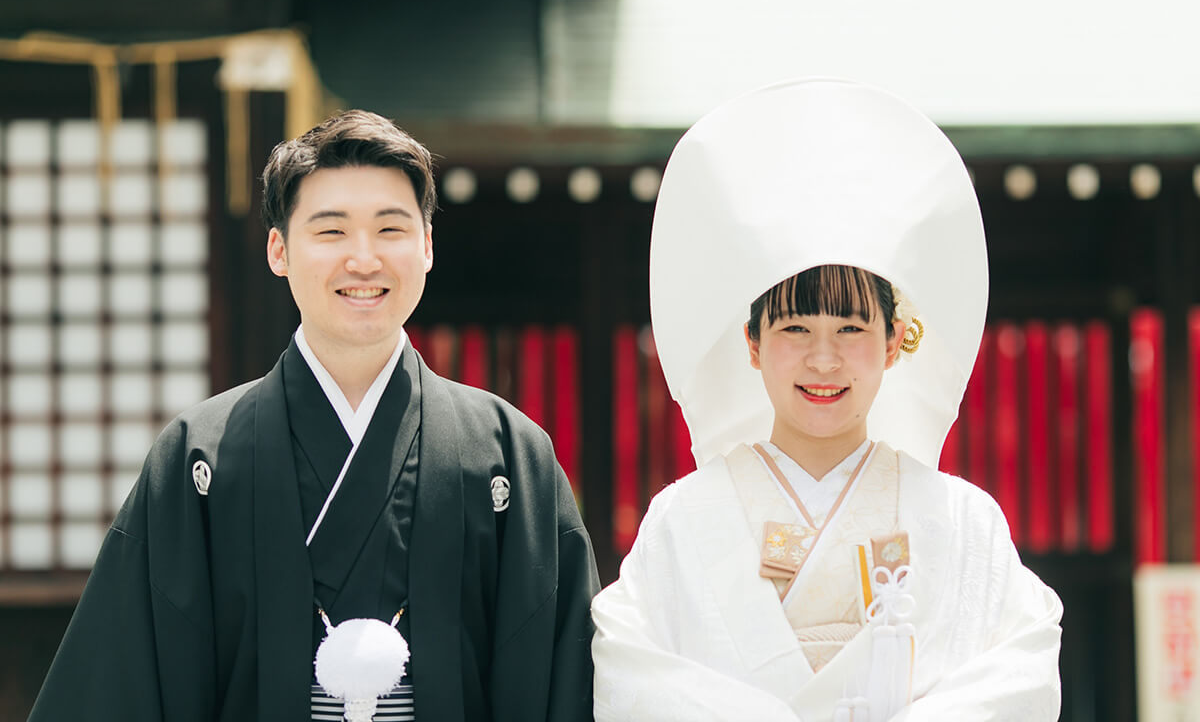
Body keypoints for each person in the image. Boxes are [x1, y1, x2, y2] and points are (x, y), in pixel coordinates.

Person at [30, 110, 600, 722]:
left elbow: (559, 679)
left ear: (428, 247)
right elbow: (123, 678)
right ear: (280, 250)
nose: (363, 259)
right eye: (331, 232)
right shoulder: (201, 457)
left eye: (391, 229)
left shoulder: (509, 455)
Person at [591, 78, 1063, 721]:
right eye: (794, 329)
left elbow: (1021, 673)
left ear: (896, 342)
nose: (823, 358)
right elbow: (628, 671)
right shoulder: (683, 518)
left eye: (851, 329)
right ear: (752, 343)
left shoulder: (960, 520)